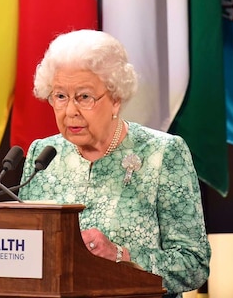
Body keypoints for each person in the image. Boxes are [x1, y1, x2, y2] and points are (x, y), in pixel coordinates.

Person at [18, 29, 210, 297]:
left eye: (84, 97)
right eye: (60, 96)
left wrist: (121, 256)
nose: (70, 111)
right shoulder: (44, 154)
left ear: (116, 99)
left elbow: (193, 265)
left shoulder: (162, 153)